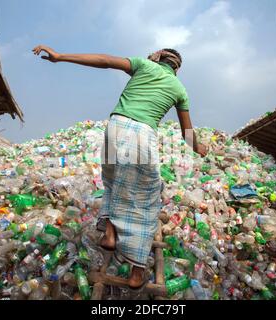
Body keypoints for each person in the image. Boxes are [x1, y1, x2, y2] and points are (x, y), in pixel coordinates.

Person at [33, 46, 207, 290]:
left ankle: (111, 235)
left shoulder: (143, 65)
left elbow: (103, 60)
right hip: (142, 135)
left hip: (116, 126)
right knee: (146, 198)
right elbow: (187, 135)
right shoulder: (180, 89)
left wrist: (61, 56)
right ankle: (137, 272)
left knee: (114, 182)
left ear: (158, 58)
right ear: (176, 67)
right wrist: (199, 147)